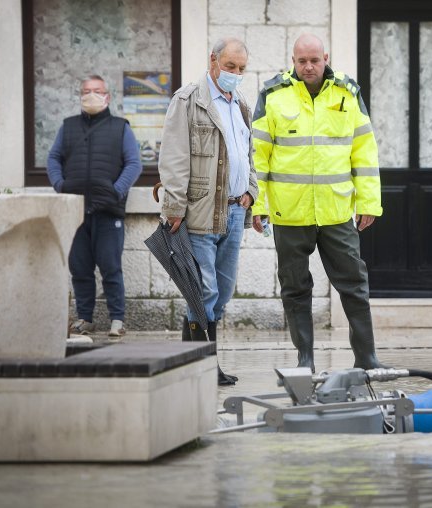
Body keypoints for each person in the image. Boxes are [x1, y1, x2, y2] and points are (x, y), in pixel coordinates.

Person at [251, 33, 386, 373]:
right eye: (301, 61)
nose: (308, 66)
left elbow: (364, 151)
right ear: (292, 60)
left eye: (315, 60)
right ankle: (305, 357)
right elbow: (258, 157)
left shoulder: (347, 92)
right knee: (295, 289)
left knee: (354, 285)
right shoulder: (272, 94)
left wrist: (368, 201)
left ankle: (366, 357)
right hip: (289, 213)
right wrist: (258, 205)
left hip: (336, 211)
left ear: (326, 57)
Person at [157, 38, 258, 386]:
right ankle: (204, 368)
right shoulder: (188, 101)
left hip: (232, 212)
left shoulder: (240, 103)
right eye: (230, 67)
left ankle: (192, 365)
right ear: (213, 61)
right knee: (204, 292)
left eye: (242, 69)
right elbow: (173, 158)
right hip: (198, 212)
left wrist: (251, 193)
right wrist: (173, 208)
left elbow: (248, 155)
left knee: (222, 293)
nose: (236, 74)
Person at [47, 74, 142, 340]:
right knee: (80, 268)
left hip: (108, 209)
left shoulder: (120, 127)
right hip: (75, 210)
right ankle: (85, 318)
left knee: (111, 268)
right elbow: (53, 158)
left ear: (107, 96)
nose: (91, 95)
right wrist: (60, 185)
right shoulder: (68, 127)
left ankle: (117, 319)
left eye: (96, 90)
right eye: (86, 91)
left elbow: (134, 164)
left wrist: (116, 190)